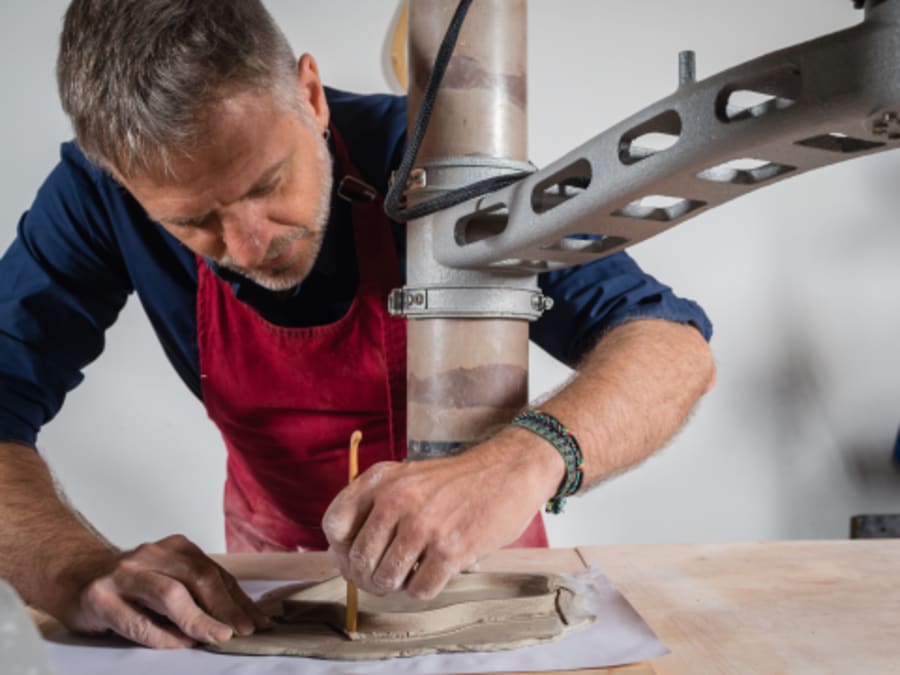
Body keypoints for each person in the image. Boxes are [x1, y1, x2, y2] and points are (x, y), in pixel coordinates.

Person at [0, 0, 715, 650]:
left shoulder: (438, 159)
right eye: (193, 221)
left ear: (309, 94)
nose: (251, 245)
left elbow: (669, 344)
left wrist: (521, 461)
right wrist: (72, 567)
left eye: (266, 183)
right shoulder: (97, 196)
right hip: (267, 582)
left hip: (480, 570)